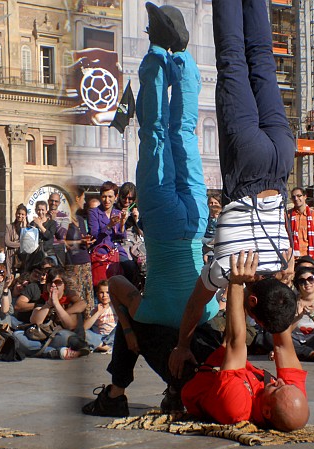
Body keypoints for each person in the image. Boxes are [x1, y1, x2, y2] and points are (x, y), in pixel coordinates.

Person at [84, 2, 220, 416]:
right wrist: (127, 326)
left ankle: (182, 59)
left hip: (197, 222)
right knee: (154, 136)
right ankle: (159, 54)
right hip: (160, 225)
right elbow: (114, 281)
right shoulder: (152, 311)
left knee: (184, 134)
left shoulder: (209, 312)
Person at [170, 0, 301, 384]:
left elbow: (281, 310)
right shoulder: (230, 268)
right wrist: (182, 344)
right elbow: (198, 304)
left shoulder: (282, 261)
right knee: (233, 60)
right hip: (248, 166)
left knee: (262, 62)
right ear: (254, 301)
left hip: (280, 162)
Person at [182, 251, 309, 432]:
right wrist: (280, 286)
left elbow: (233, 342)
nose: (280, 382)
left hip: (200, 365)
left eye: (277, 389)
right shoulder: (292, 396)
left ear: (266, 411)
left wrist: (236, 282)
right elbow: (282, 344)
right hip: (229, 357)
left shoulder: (237, 409)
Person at [65, 185, 95, 317]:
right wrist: (79, 242)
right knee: (76, 297)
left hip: (85, 262)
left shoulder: (81, 220)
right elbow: (61, 242)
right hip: (72, 265)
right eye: (83, 198)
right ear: (77, 198)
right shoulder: (64, 220)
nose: (84, 202)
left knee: (88, 296)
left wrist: (86, 241)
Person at [84, 280, 117, 352]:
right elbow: (85, 327)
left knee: (120, 328)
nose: (104, 295)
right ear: (97, 294)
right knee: (84, 333)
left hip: (112, 337)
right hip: (99, 337)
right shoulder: (95, 310)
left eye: (107, 292)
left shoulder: (115, 308)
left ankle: (102, 346)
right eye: (101, 292)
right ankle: (106, 347)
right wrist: (98, 312)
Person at [5, 203, 28, 275]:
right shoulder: (9, 227)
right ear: (16, 214)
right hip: (11, 255)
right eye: (19, 213)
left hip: (24, 256)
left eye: (22, 214)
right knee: (10, 277)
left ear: (25, 216)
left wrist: (24, 227)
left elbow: (28, 242)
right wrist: (21, 244)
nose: (20, 216)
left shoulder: (29, 228)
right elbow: (7, 242)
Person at [202, 193, 222, 263]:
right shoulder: (205, 217)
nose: (213, 205)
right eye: (211, 203)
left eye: (215, 203)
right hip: (207, 242)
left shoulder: (222, 218)